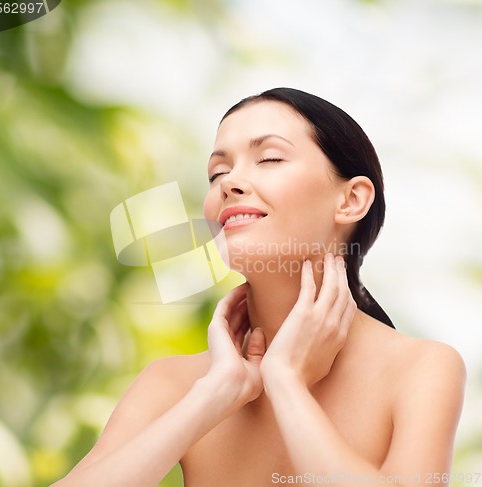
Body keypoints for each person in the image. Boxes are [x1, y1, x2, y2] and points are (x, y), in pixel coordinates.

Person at [51, 88, 466, 487]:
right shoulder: (175, 383)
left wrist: (286, 381)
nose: (229, 183)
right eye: (218, 172)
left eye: (268, 158)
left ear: (351, 200)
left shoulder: (421, 370)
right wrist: (215, 395)